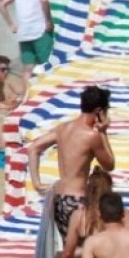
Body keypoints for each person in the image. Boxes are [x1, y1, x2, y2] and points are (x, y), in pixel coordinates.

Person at [26, 85, 116, 240]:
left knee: (68, 246)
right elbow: (109, 165)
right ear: (99, 112)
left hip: (59, 198)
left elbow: (33, 148)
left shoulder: (63, 128)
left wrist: (37, 182)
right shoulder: (91, 136)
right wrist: (103, 131)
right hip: (77, 200)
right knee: (87, 248)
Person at [14, 0, 53, 80]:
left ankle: (25, 90)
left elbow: (3, 3)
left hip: (23, 31)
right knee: (46, 65)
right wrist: (48, 20)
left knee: (28, 67)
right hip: (39, 28)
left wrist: (11, 24)